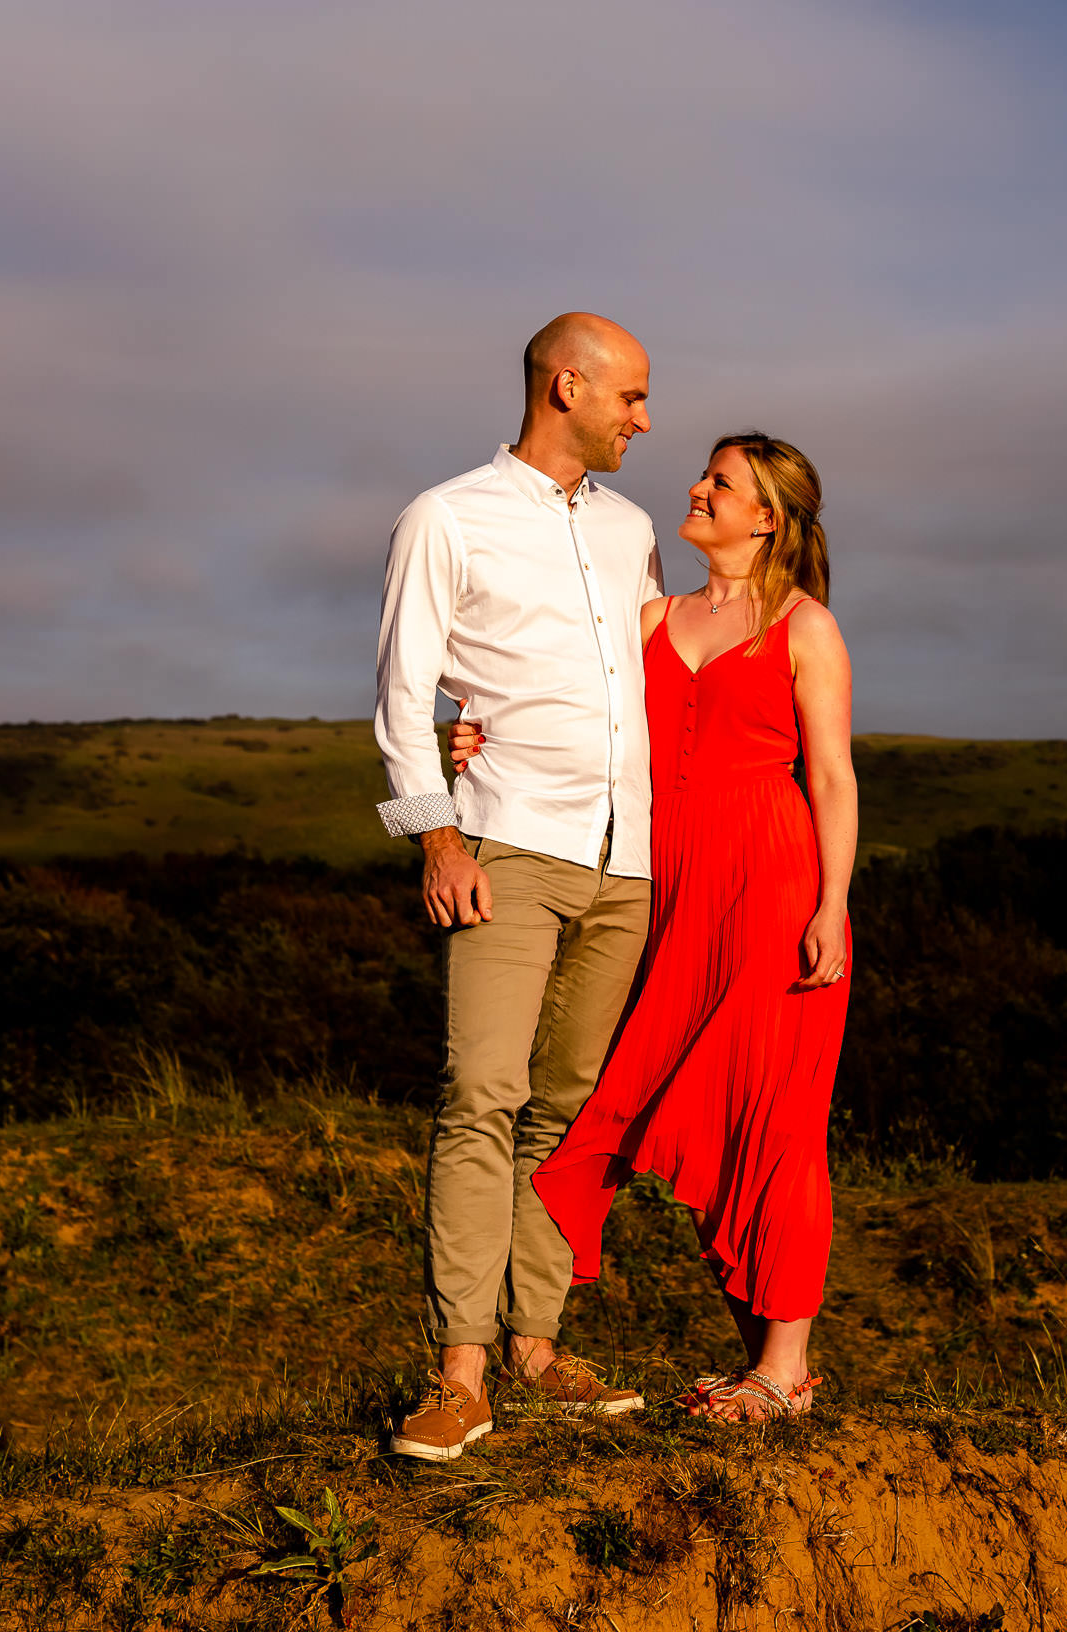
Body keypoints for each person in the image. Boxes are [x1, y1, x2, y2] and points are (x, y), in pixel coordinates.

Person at [460, 432, 857, 1423]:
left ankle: (781, 1371)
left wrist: (832, 906)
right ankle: (565, 1343)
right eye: (706, 476)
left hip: (770, 883)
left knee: (776, 1121)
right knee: (654, 1101)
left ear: (765, 516)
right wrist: (479, 730)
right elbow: (569, 707)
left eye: (719, 484)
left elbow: (835, 777)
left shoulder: (806, 627)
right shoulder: (650, 617)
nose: (697, 488)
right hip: (663, 883)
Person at [371, 313, 662, 1462]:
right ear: (568, 383)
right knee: (480, 1093)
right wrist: (437, 838)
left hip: (627, 863)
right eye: (631, 396)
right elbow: (402, 693)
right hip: (507, 846)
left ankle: (540, 1348)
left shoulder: (634, 528)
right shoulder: (445, 518)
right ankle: (461, 1372)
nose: (644, 418)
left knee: (573, 1108)